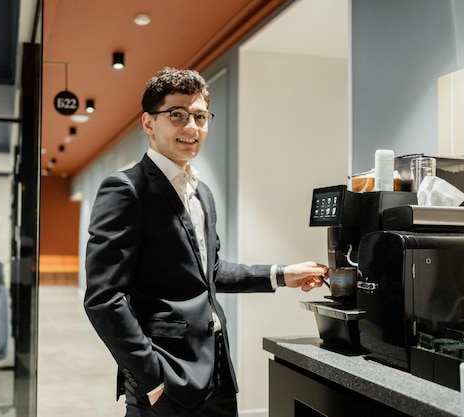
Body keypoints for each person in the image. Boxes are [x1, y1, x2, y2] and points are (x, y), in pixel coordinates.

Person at [84, 67, 328, 417]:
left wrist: (281, 274)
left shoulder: (203, 194)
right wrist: (149, 378)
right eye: (177, 115)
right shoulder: (126, 189)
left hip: (216, 371)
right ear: (149, 123)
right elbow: (104, 298)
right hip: (165, 377)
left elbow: (208, 273)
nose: (191, 127)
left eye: (200, 116)